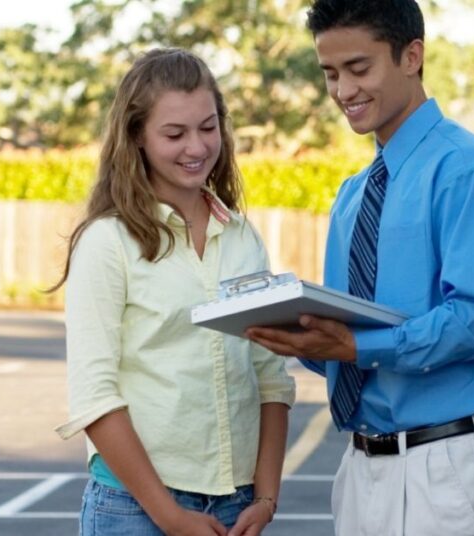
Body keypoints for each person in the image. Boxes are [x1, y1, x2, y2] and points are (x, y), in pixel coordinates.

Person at [245, 1, 474, 534]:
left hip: (451, 469)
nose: (343, 91)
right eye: (330, 74)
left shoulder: (472, 173)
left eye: (359, 69)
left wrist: (355, 347)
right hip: (360, 472)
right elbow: (347, 347)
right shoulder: (352, 196)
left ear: (412, 56)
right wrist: (298, 335)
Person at [51, 48, 295, 536]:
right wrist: (170, 517)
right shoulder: (107, 243)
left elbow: (271, 378)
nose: (197, 147)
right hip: (135, 512)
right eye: (174, 133)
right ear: (137, 137)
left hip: (239, 506)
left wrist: (266, 497)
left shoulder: (244, 238)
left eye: (208, 127)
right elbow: (95, 399)